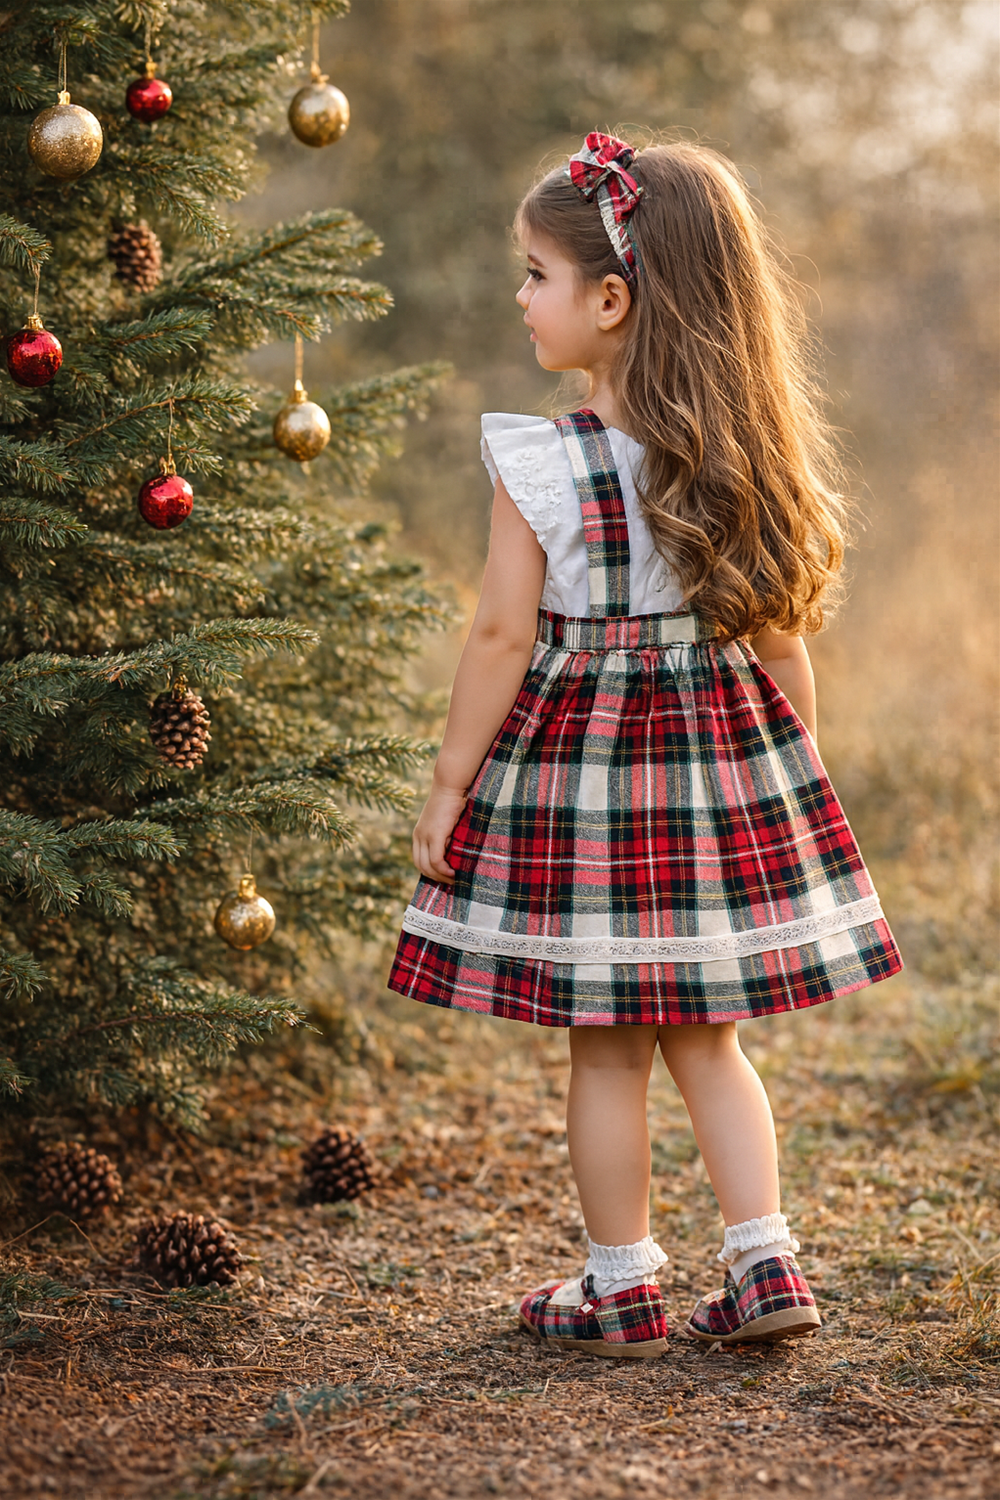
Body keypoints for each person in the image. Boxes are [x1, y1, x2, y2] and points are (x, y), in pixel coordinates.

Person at [388, 133, 902, 1358]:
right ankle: (762, 1258)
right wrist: (795, 785)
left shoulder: (542, 459)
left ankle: (620, 1284)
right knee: (709, 1042)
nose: (520, 298)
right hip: (717, 776)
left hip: (585, 788)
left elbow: (505, 631)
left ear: (609, 300)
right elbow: (779, 642)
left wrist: (453, 779)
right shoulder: (738, 453)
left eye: (534, 275)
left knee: (606, 1049)